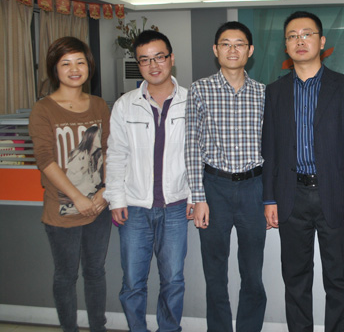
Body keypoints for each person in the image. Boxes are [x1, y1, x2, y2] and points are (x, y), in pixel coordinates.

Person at [262, 11, 344, 332]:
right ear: (286, 46)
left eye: (307, 34)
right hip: (291, 196)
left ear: (321, 41)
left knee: (339, 278)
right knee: (295, 279)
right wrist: (269, 198)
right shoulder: (275, 92)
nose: (300, 40)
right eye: (292, 36)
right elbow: (270, 150)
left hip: (336, 196)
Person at [104, 30, 191, 332]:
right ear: (138, 64)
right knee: (132, 281)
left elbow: (197, 154)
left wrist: (195, 195)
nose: (153, 65)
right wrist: (116, 199)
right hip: (134, 208)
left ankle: (169, 329)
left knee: (173, 280)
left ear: (171, 58)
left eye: (159, 57)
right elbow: (116, 154)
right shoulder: (125, 104)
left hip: (176, 206)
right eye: (144, 60)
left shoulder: (190, 101)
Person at [185, 21, 266, 332]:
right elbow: (192, 144)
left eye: (240, 44)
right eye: (226, 44)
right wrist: (198, 197)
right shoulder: (200, 89)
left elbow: (272, 148)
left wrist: (269, 196)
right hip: (214, 188)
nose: (233, 50)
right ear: (215, 50)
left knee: (253, 273)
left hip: (253, 188)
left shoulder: (263, 93)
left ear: (250, 50)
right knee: (215, 274)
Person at [29, 36, 111, 332]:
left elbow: (110, 150)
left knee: (95, 272)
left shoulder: (99, 105)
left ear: (89, 66)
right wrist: (77, 197)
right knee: (65, 276)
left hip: (99, 208)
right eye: (66, 63)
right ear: (55, 69)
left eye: (80, 62)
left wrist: (104, 192)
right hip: (62, 210)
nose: (74, 69)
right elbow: (45, 160)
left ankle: (98, 327)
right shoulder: (44, 109)